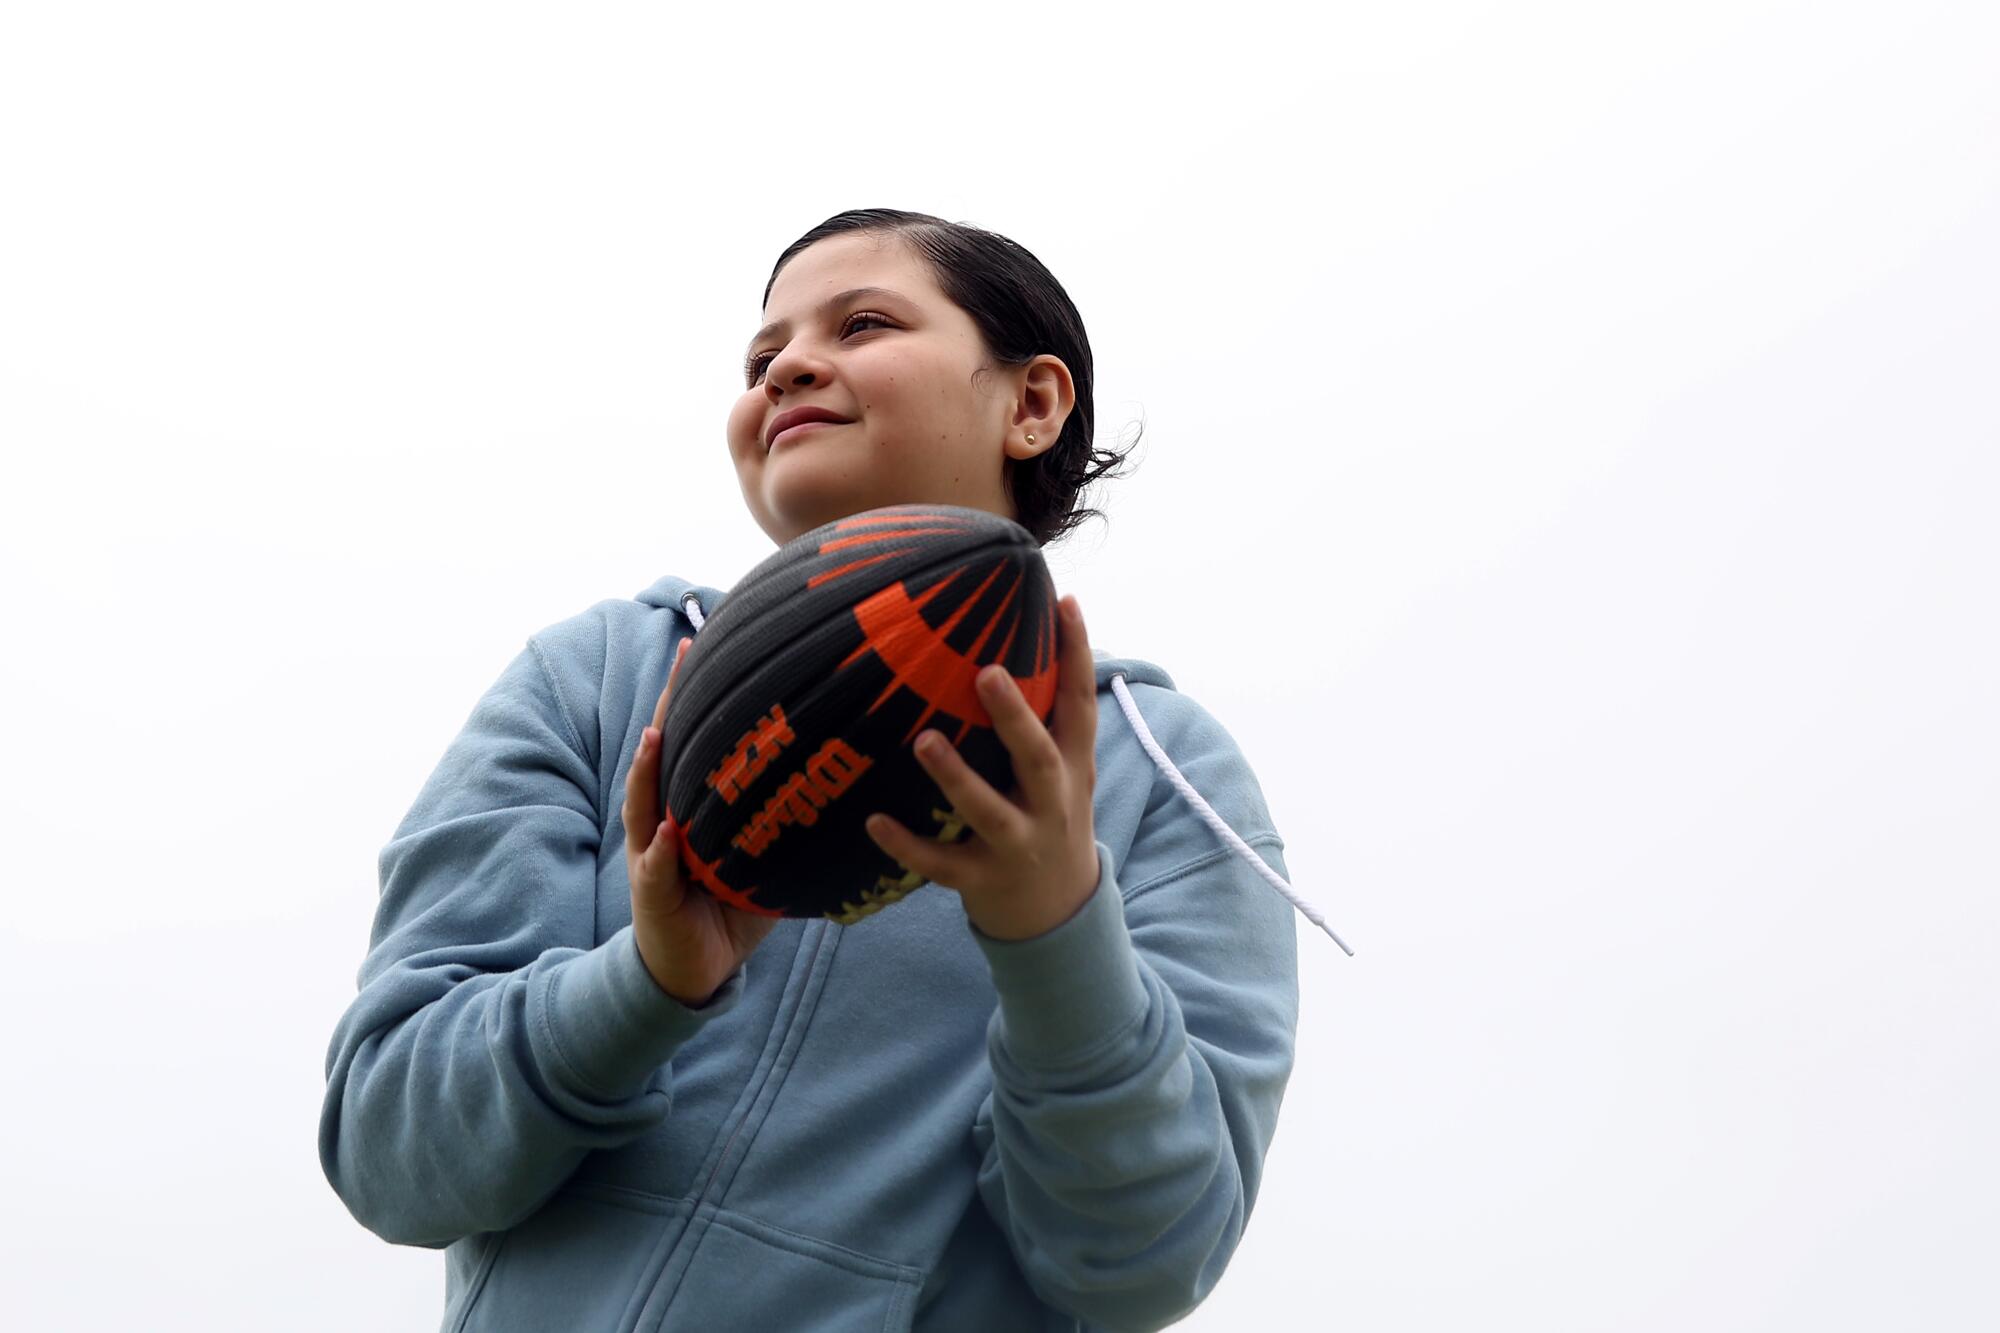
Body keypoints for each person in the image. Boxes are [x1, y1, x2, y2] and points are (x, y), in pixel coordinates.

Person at [320, 208, 1312, 1332]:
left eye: (864, 323)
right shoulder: (599, 678)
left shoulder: (1162, 777)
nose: (788, 364)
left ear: (1030, 405)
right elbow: (386, 1149)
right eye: (760, 356)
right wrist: (645, 984)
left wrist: (1049, 931)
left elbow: (1139, 1263)